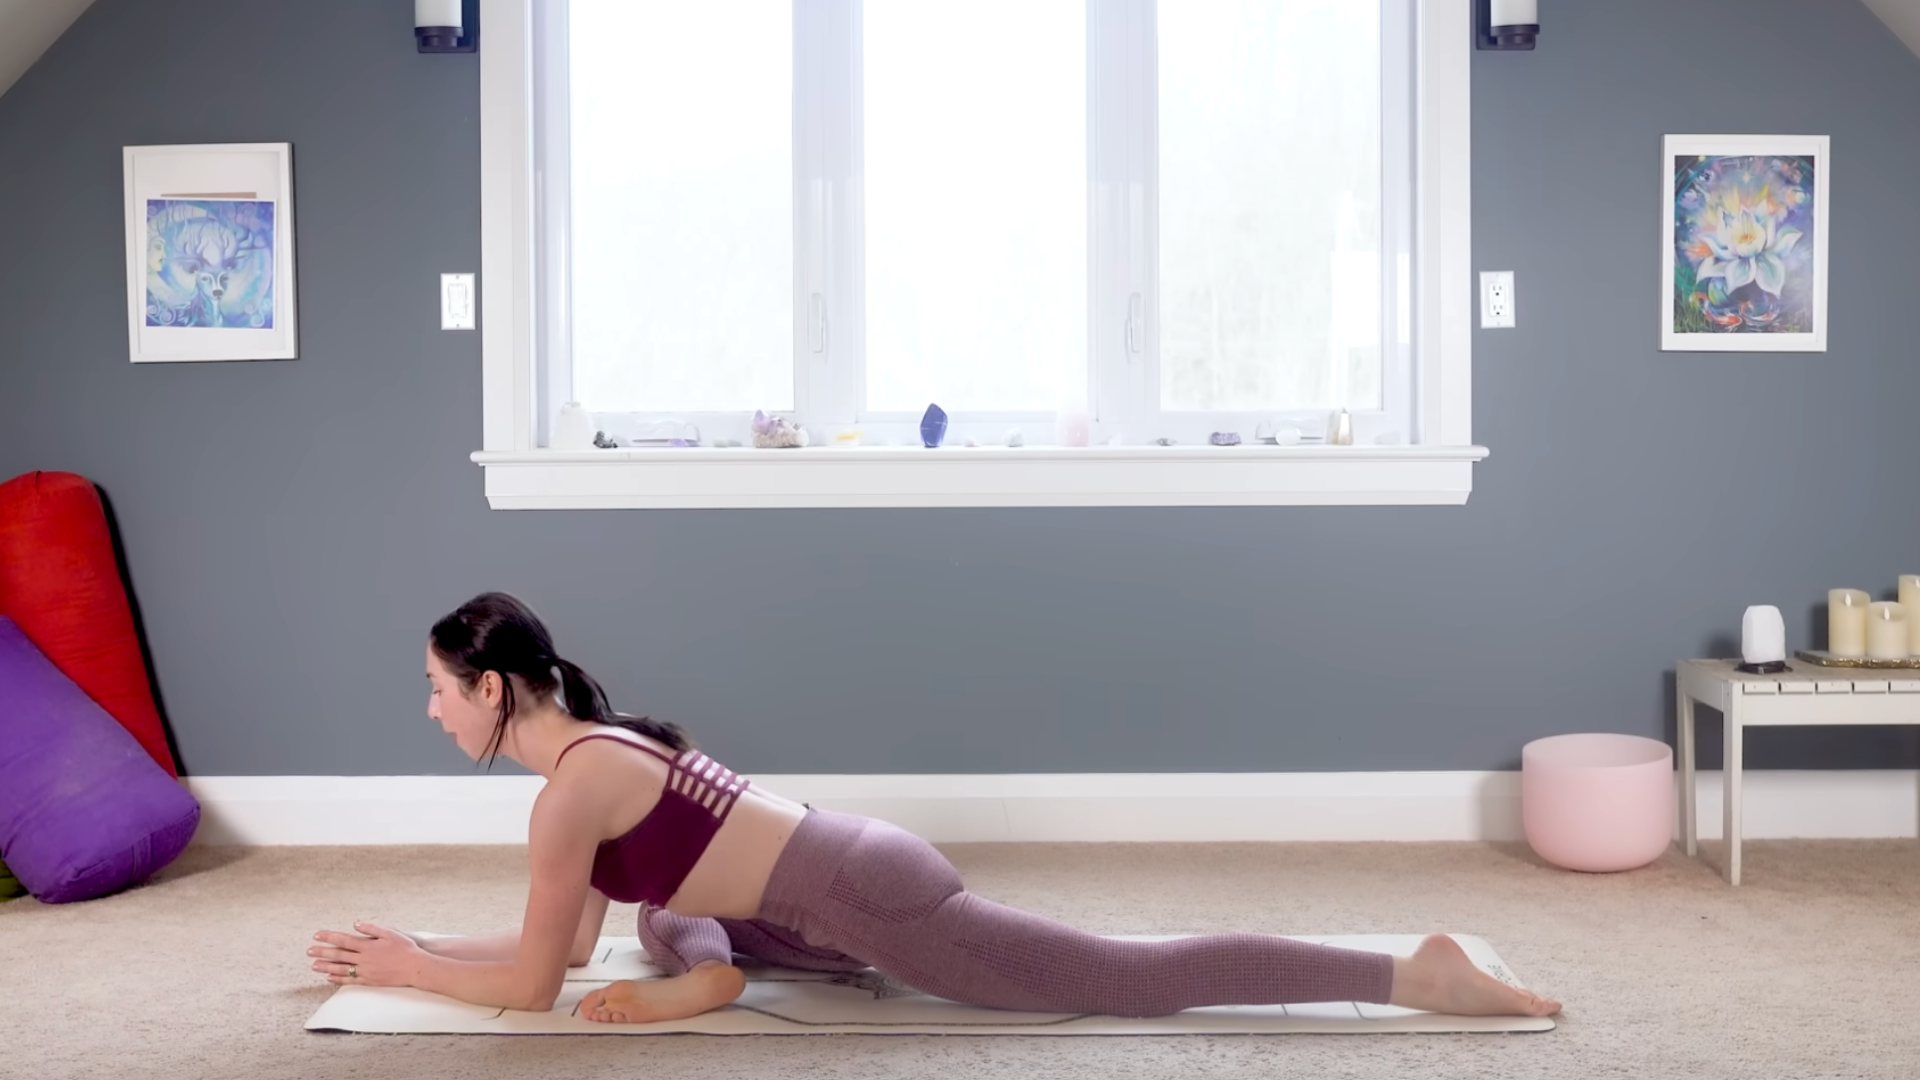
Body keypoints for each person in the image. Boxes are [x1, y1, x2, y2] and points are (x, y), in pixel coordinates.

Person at [307, 592, 1561, 1023]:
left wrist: (414, 965)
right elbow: (563, 950)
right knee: (653, 927)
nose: (428, 712)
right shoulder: (593, 752)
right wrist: (410, 949)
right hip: (830, 875)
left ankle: (1415, 974)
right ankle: (709, 971)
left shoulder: (568, 794)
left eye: (433, 691)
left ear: (487, 689)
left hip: (868, 897)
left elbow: (533, 988)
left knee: (1128, 978)